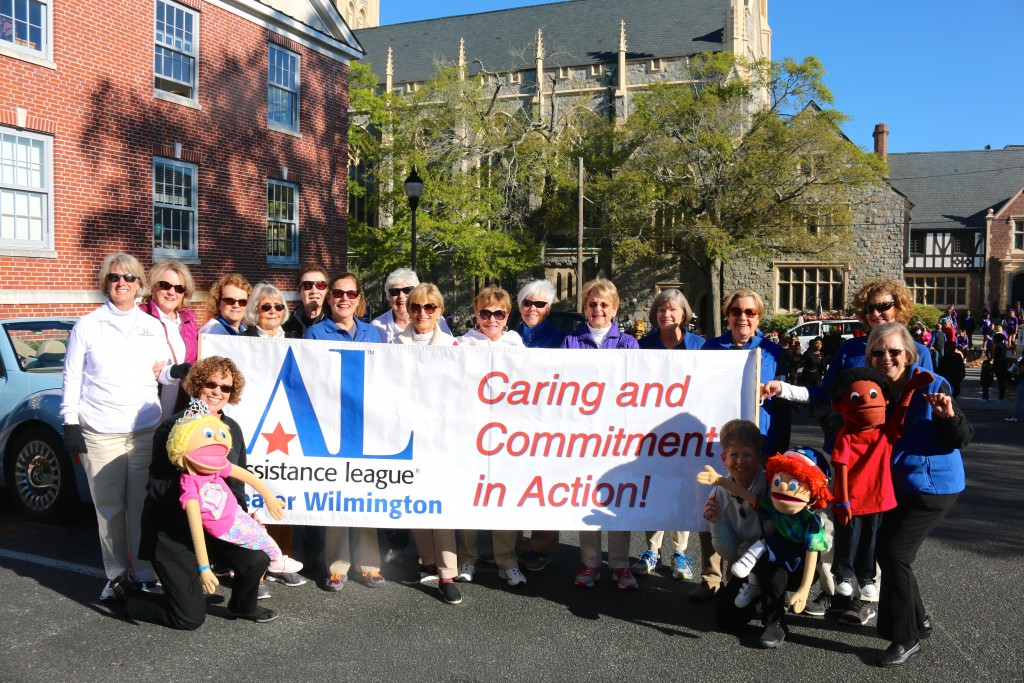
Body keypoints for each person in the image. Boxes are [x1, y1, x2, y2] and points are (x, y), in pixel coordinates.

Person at [61, 252, 189, 600]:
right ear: (107, 283)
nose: (122, 283)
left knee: (140, 507)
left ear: (139, 285)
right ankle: (116, 574)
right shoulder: (87, 325)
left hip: (143, 432)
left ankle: (144, 573)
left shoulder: (150, 326)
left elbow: (158, 371)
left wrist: (175, 372)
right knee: (109, 509)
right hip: (100, 432)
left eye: (129, 278)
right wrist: (69, 422)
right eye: (115, 277)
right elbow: (71, 378)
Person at [113, 357, 277, 626]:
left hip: (213, 526)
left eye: (225, 388)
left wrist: (242, 519)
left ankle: (241, 606)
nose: (217, 392)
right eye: (211, 384)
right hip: (173, 532)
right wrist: (192, 480)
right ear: (197, 384)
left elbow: (237, 482)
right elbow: (155, 485)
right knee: (188, 619)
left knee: (256, 558)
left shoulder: (231, 429)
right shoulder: (174, 427)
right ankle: (128, 598)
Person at [866, 323, 971, 667]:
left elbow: (962, 438)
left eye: (894, 352)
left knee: (894, 552)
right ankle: (919, 619)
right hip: (899, 484)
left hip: (934, 485)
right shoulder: (875, 388)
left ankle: (905, 637)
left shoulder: (931, 383)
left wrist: (948, 416)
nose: (886, 358)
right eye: (879, 352)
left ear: (908, 354)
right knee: (892, 551)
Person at [305, 273, 385, 590]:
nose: (344, 299)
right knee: (335, 496)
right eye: (337, 293)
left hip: (366, 424)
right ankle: (337, 565)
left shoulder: (373, 333)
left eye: (350, 294)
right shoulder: (314, 333)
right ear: (329, 297)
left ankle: (369, 565)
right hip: (331, 425)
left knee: (366, 495)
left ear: (358, 298)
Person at [560, 279, 640, 591]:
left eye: (604, 304)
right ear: (585, 308)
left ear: (615, 309)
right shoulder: (570, 341)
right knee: (587, 497)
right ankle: (590, 563)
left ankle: (620, 565)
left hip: (617, 433)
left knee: (616, 499)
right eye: (592, 304)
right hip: (582, 434)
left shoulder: (628, 344)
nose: (598, 309)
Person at [167, 402, 303, 577]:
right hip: (225, 526)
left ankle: (272, 561)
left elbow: (246, 475)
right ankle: (278, 561)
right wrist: (204, 567)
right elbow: (196, 528)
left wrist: (269, 497)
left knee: (260, 531)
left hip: (234, 513)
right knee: (265, 540)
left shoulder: (216, 466)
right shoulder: (190, 485)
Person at [394, 283, 463, 604]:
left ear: (439, 311)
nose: (422, 313)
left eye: (429, 308)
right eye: (416, 307)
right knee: (416, 504)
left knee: (441, 507)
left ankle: (448, 572)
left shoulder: (453, 346)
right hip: (406, 437)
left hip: (441, 438)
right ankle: (427, 560)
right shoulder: (393, 343)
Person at [457, 286, 528, 588]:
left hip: (506, 436)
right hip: (471, 432)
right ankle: (468, 558)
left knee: (503, 498)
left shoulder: (517, 345)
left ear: (507, 316)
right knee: (471, 496)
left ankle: (506, 561)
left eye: (498, 313)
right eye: (485, 313)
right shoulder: (462, 344)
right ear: (476, 314)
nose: (491, 319)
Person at [633, 288, 704, 581]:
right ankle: (652, 549)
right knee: (655, 488)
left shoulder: (700, 346)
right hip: (653, 431)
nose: (667, 314)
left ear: (684, 314)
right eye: (662, 310)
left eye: (673, 309)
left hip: (687, 431)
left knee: (684, 489)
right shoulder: (643, 345)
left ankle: (680, 552)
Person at [513, 279, 567, 573]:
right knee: (513, 486)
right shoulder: (508, 336)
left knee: (543, 487)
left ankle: (541, 547)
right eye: (526, 303)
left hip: (546, 425)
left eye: (539, 304)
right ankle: (516, 544)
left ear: (549, 308)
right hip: (512, 425)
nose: (532, 308)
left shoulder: (561, 340)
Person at [702, 419, 768, 631]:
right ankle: (756, 595)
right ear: (724, 458)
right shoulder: (718, 491)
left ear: (758, 456)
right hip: (743, 561)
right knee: (726, 619)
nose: (740, 461)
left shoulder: (771, 485)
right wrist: (717, 522)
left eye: (747, 455)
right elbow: (728, 550)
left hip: (772, 559)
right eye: (734, 455)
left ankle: (775, 602)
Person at [140, 260, 198, 416]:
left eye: (179, 288)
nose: (172, 292)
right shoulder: (139, 318)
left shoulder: (189, 323)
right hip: (144, 410)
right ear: (153, 287)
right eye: (165, 285)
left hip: (181, 408)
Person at [372, 267, 452, 344]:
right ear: (388, 296)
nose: (401, 296)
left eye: (407, 290)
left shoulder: (437, 320)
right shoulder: (376, 326)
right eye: (395, 292)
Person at [281, 264, 330, 338]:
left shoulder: (335, 323)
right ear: (299, 292)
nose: (314, 291)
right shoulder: (286, 325)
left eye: (320, 285)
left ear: (327, 291)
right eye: (307, 286)